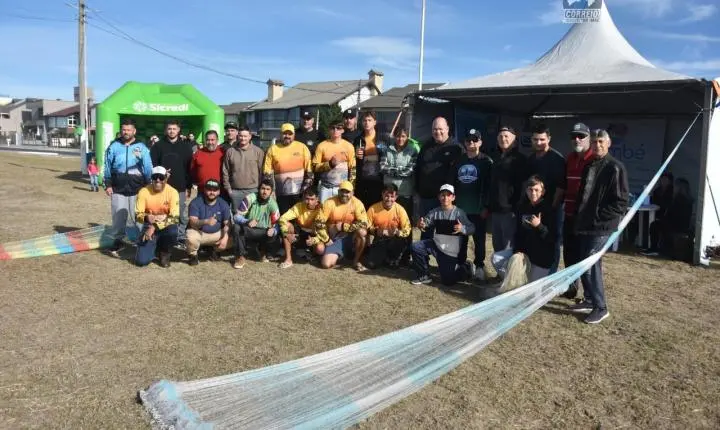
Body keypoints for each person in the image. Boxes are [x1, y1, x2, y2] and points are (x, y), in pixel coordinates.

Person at [569, 129, 629, 324]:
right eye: (594, 142)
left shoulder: (615, 167)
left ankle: (601, 307)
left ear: (608, 143)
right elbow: (583, 195)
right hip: (585, 224)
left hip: (601, 226)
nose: (597, 145)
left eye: (601, 141)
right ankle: (589, 299)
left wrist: (597, 217)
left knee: (591, 264)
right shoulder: (589, 165)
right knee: (583, 263)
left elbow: (621, 203)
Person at [491, 175, 556, 283]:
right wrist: (518, 251)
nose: (533, 193)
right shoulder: (523, 208)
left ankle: (523, 281)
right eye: (530, 189)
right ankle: (514, 282)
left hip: (541, 259)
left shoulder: (549, 210)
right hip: (524, 254)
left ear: (543, 191)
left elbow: (552, 238)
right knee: (496, 258)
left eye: (536, 190)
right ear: (526, 191)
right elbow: (518, 234)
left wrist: (539, 226)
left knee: (531, 290)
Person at [103, 118, 153, 256]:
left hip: (138, 189)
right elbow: (107, 166)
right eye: (124, 129)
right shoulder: (114, 146)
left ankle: (142, 240)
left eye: (129, 130)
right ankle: (118, 241)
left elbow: (148, 166)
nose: (126, 132)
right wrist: (108, 184)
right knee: (118, 218)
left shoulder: (141, 147)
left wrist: (148, 185)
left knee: (139, 217)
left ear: (134, 131)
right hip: (118, 188)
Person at [410, 184, 475, 286]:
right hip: (436, 246)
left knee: (448, 282)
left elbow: (472, 228)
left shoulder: (459, 213)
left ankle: (466, 268)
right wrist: (421, 224)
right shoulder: (435, 212)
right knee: (416, 247)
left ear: (453, 197)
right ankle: (424, 275)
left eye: (448, 195)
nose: (445, 198)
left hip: (450, 252)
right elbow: (425, 222)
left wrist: (462, 228)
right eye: (442, 195)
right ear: (439, 197)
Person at [451, 129, 493, 281]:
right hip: (461, 209)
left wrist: (486, 206)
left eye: (475, 140)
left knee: (479, 240)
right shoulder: (458, 161)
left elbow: (490, 187)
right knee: (460, 239)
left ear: (480, 142)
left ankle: (479, 266)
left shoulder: (486, 162)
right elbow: (452, 183)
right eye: (468, 140)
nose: (471, 143)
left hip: (478, 209)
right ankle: (461, 265)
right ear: (464, 142)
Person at [527, 124, 566, 274]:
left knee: (552, 241)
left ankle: (551, 275)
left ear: (549, 139)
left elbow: (561, 187)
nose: (538, 143)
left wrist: (553, 207)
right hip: (535, 207)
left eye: (542, 139)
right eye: (535, 139)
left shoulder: (557, 159)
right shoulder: (531, 159)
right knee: (536, 238)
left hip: (553, 208)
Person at [415, 117, 463, 238]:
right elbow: (418, 168)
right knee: (426, 233)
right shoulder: (426, 146)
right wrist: (417, 190)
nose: (438, 132)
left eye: (441, 129)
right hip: (427, 198)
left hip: (446, 201)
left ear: (447, 129)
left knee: (445, 235)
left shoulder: (456, 148)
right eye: (435, 129)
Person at [561, 123, 594, 299]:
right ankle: (571, 288)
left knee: (585, 258)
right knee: (569, 254)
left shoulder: (594, 159)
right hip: (569, 215)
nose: (577, 139)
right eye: (574, 136)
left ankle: (589, 295)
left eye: (581, 136)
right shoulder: (569, 158)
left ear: (589, 138)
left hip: (586, 219)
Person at [150, 120, 195, 243]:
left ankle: (179, 236)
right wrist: (161, 175)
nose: (172, 131)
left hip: (180, 187)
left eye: (174, 129)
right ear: (166, 130)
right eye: (169, 129)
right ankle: (163, 235)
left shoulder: (186, 147)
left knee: (180, 213)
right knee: (162, 212)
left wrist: (188, 186)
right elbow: (153, 165)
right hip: (161, 187)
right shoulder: (158, 146)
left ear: (178, 130)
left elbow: (189, 168)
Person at [487, 126, 527, 253]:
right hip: (496, 211)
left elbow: (523, 187)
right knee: (497, 246)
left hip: (510, 212)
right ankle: (500, 268)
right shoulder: (495, 158)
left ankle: (508, 268)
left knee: (508, 248)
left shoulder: (519, 159)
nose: (503, 139)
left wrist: (517, 208)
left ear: (514, 141)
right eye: (500, 136)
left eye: (506, 136)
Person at [315, 181, 368, 271]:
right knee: (326, 264)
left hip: (351, 236)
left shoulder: (357, 203)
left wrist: (344, 227)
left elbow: (364, 223)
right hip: (334, 237)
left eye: (347, 192)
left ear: (352, 193)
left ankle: (356, 261)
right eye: (342, 191)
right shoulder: (329, 202)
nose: (344, 194)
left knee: (362, 232)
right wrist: (326, 239)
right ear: (338, 191)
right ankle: (339, 254)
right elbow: (318, 223)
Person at [134, 166, 180, 267]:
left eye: (161, 177)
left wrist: (154, 226)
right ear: (151, 178)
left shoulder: (173, 192)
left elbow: (175, 218)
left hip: (166, 225)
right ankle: (153, 248)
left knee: (173, 230)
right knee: (141, 262)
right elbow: (137, 215)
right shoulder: (143, 191)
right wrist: (146, 217)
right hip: (148, 224)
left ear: (166, 178)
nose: (158, 180)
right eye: (155, 177)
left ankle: (164, 252)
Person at [263, 123, 314, 214]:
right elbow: (267, 173)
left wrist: (305, 190)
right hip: (280, 194)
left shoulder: (302, 147)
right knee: (283, 218)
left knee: (299, 219)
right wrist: (271, 191)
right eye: (284, 133)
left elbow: (309, 172)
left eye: (290, 134)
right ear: (280, 134)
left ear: (294, 135)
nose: (287, 136)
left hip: (300, 194)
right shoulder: (272, 149)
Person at [231, 179, 281, 269]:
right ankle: (241, 256)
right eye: (263, 188)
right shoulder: (249, 198)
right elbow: (236, 216)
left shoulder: (273, 204)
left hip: (263, 232)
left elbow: (277, 223)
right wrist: (247, 221)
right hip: (249, 230)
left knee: (275, 235)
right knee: (236, 227)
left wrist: (274, 230)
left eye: (268, 189)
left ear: (271, 192)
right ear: (258, 189)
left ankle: (262, 252)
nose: (265, 192)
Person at [277, 188, 328, 269]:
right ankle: (288, 259)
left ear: (317, 199)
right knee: (287, 225)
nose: (309, 202)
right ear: (304, 198)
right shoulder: (299, 206)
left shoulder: (322, 209)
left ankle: (315, 256)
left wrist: (315, 240)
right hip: (300, 232)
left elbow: (324, 231)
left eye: (312, 199)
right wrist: (286, 233)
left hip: (315, 234)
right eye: (307, 199)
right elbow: (282, 219)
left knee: (320, 249)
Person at [364, 184, 412, 269]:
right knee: (371, 264)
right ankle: (380, 257)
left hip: (395, 240)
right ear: (382, 195)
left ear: (396, 197)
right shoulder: (373, 208)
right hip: (380, 239)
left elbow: (407, 229)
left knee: (400, 243)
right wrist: (375, 231)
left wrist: (398, 232)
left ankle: (394, 259)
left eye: (392, 196)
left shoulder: (400, 210)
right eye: (386, 196)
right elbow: (366, 225)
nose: (389, 199)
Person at [186, 179, 233, 266]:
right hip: (200, 233)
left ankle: (215, 251)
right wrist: (205, 221)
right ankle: (193, 255)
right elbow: (192, 223)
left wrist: (225, 237)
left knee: (233, 237)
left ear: (219, 192)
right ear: (204, 190)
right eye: (209, 190)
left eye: (215, 190)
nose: (212, 192)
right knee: (191, 237)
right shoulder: (195, 202)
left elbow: (227, 223)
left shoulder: (223, 204)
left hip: (217, 234)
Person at [643, 177, 693, 257]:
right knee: (658, 224)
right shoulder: (688, 200)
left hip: (676, 225)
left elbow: (673, 215)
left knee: (654, 225)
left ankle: (654, 248)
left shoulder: (678, 200)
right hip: (683, 225)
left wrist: (663, 219)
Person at [380, 126, 419, 222]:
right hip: (389, 193)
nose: (400, 139)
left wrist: (392, 170)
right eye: (398, 136)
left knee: (405, 220)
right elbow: (383, 168)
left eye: (403, 136)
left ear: (407, 137)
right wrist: (400, 170)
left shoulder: (413, 151)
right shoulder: (387, 149)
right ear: (394, 136)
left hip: (405, 192)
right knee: (389, 220)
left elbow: (409, 171)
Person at [222, 125, 265, 211]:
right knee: (237, 216)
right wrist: (229, 189)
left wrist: (260, 189)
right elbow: (225, 171)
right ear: (238, 136)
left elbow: (262, 172)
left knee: (253, 216)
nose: (243, 138)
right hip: (236, 191)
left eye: (245, 136)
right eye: (241, 136)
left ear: (250, 136)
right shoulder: (230, 152)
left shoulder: (258, 152)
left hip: (253, 191)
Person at [312, 120, 356, 203]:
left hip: (343, 189)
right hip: (325, 188)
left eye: (339, 128)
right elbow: (314, 167)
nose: (335, 130)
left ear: (343, 130)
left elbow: (353, 169)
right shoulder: (322, 146)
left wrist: (352, 187)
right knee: (324, 210)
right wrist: (330, 164)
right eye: (333, 128)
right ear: (329, 130)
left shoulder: (349, 146)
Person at [353, 110, 387, 207]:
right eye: (364, 120)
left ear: (375, 122)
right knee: (362, 207)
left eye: (369, 120)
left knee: (376, 207)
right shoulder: (358, 139)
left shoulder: (383, 138)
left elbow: (387, 157)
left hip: (378, 180)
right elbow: (353, 160)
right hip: (362, 180)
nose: (367, 123)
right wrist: (356, 155)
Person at [190, 130, 225, 195]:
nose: (210, 142)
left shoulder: (223, 152)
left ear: (217, 140)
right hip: (202, 190)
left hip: (219, 191)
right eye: (208, 140)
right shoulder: (198, 153)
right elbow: (192, 170)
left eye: (212, 140)